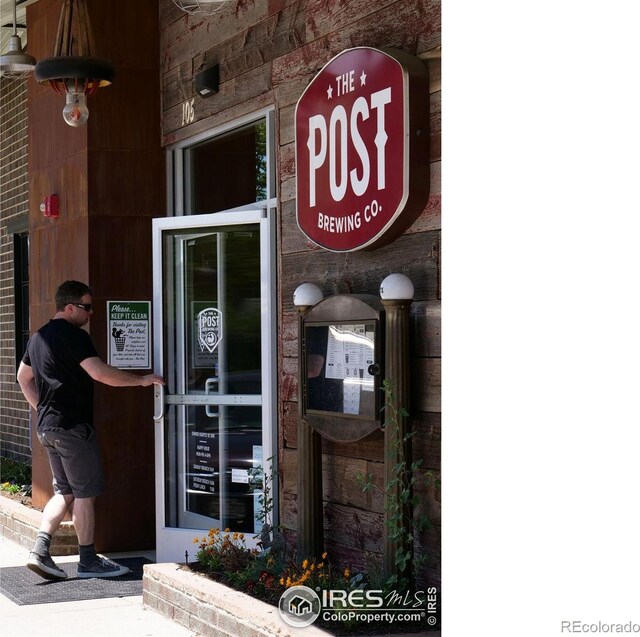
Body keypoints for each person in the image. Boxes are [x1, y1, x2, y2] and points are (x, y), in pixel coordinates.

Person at [16, 280, 164, 580]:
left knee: (65, 491)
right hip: (72, 428)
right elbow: (99, 373)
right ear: (69, 307)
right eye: (86, 307)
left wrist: (42, 410)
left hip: (49, 428)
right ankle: (88, 561)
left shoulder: (38, 338)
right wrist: (141, 380)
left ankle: (40, 550)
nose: (91, 313)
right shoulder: (74, 336)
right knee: (85, 493)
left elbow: (23, 377)